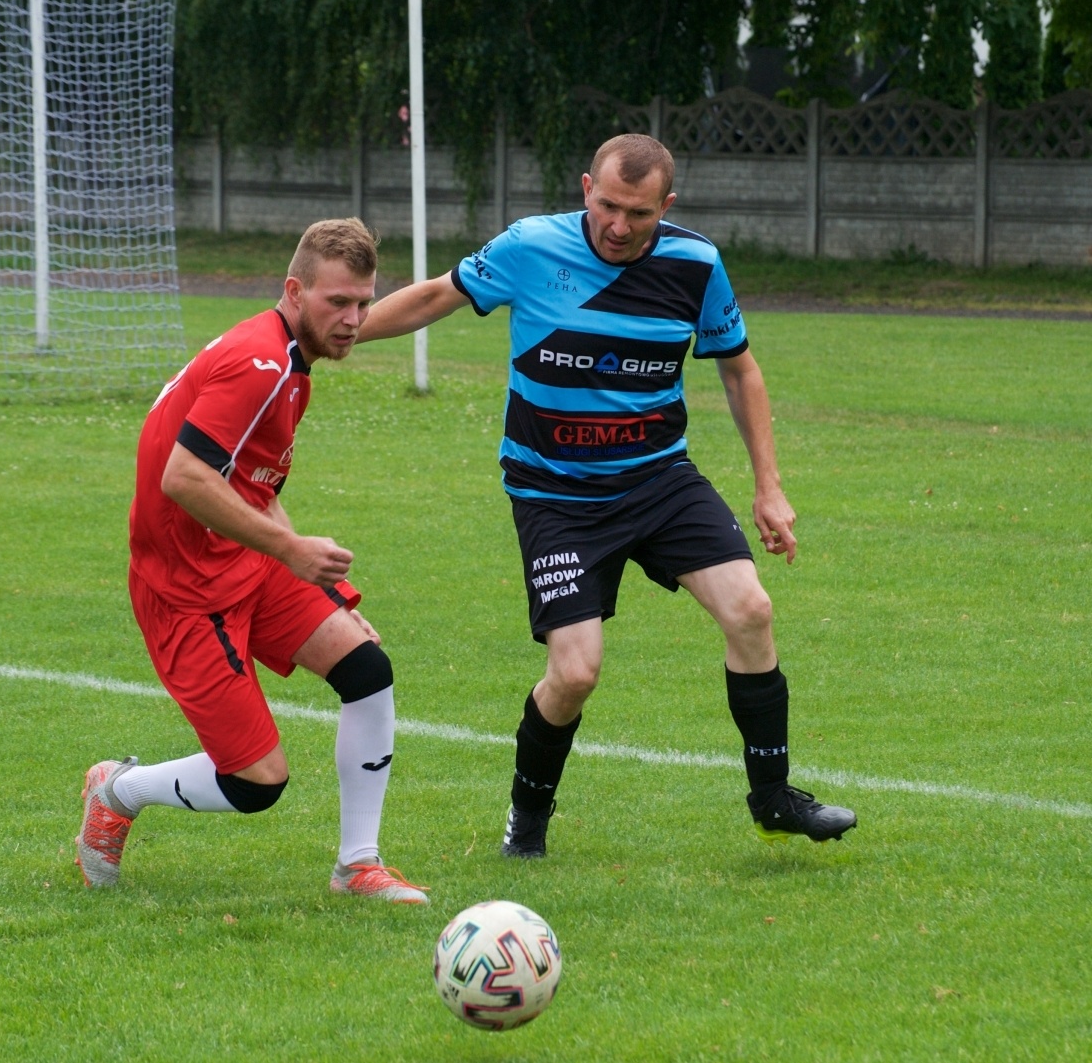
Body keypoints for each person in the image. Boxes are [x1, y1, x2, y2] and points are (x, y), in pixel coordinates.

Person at [356, 134, 856, 858]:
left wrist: (769, 487)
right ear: (586, 185)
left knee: (751, 609)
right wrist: (327, 334)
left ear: (667, 206)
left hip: (659, 480)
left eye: (640, 214)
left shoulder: (695, 264)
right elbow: (436, 295)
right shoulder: (531, 247)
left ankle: (774, 799)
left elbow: (741, 370)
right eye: (608, 205)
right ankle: (526, 823)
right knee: (576, 670)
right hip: (554, 494)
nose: (619, 226)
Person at [75, 218, 427, 903]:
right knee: (255, 782)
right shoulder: (261, 363)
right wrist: (293, 550)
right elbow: (185, 476)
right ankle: (117, 789)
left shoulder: (291, 365)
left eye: (364, 302)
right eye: (338, 303)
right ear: (295, 292)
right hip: (185, 590)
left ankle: (358, 865)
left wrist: (329, 591)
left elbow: (251, 487)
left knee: (366, 668)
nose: (355, 319)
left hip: (241, 559)